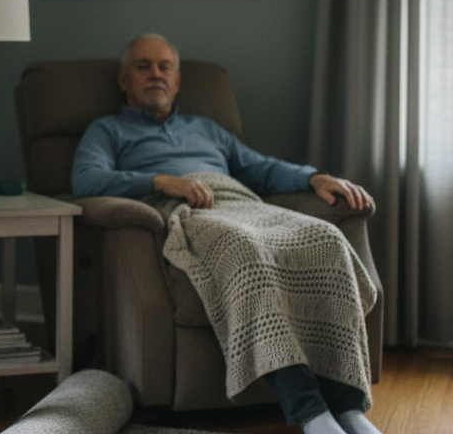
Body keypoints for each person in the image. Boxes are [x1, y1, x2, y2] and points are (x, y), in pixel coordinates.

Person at [72, 34, 382, 434]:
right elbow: (85, 179)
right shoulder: (107, 130)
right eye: (143, 66)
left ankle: (348, 408)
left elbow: (259, 168)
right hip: (187, 211)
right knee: (244, 250)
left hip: (243, 202)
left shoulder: (207, 129)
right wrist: (162, 181)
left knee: (325, 238)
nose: (155, 74)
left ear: (178, 80)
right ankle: (311, 414)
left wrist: (314, 177)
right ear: (123, 80)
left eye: (164, 66)